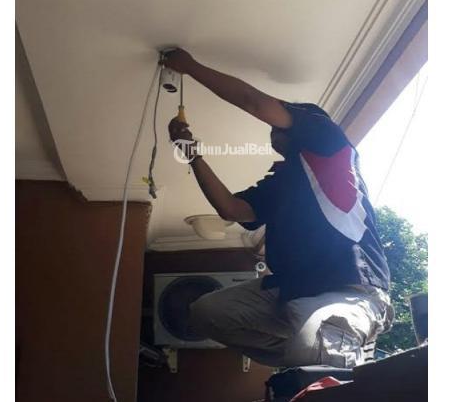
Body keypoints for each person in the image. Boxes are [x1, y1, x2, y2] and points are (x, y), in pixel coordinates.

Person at [164, 48, 393, 368]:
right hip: (291, 291)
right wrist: (191, 154)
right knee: (206, 313)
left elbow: (253, 101)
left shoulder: (327, 140)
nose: (272, 128)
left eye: (280, 123)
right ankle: (304, 354)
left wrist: (190, 66)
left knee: (314, 337)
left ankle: (322, 353)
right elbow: (231, 209)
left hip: (349, 287)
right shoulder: (282, 184)